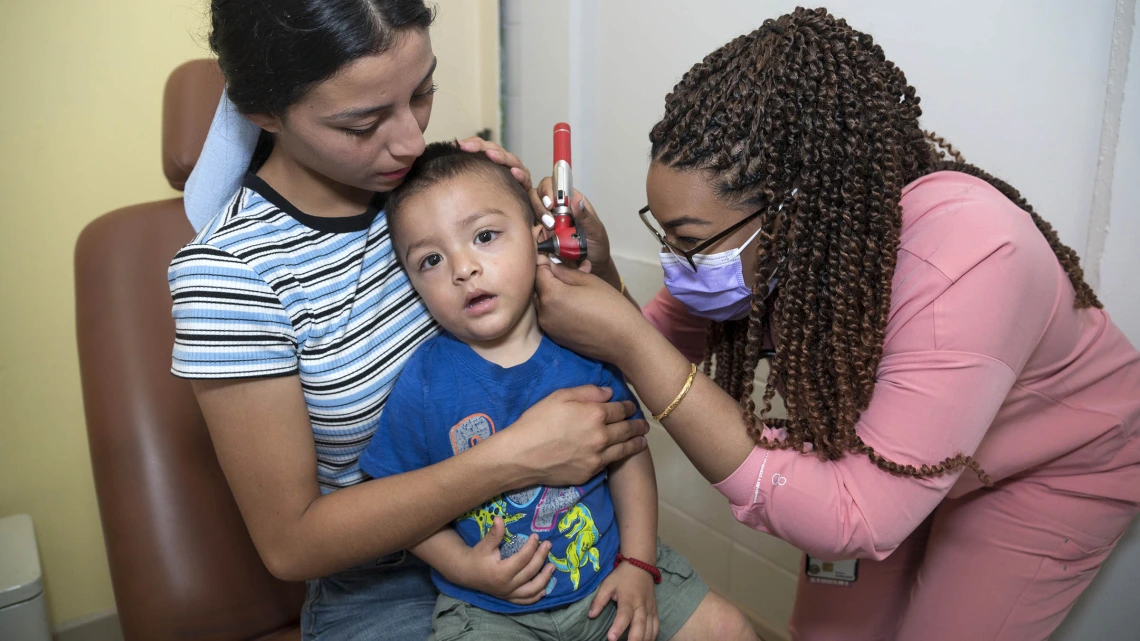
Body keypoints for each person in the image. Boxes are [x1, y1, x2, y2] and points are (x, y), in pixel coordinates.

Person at [531, 8, 1140, 641]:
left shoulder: (973, 256)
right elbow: (651, 348)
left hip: (1042, 468)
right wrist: (599, 274)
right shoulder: (759, 244)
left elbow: (858, 516)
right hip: (885, 455)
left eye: (687, 241)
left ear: (794, 210)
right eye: (665, 234)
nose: (676, 263)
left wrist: (629, 341)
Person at [169, 2, 647, 639]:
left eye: (421, 92)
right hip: (385, 584)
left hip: (561, 522)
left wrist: (591, 268)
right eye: (364, 122)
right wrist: (515, 458)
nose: (411, 141)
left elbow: (611, 356)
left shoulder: (434, 188)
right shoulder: (228, 276)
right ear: (263, 114)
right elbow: (291, 545)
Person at [357, 143, 756, 641]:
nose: (462, 269)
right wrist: (461, 567)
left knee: (730, 629)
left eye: (484, 236)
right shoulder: (422, 384)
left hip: (610, 577)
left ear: (537, 238)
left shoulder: (583, 347)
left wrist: (636, 563)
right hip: (492, 611)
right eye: (431, 260)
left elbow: (629, 457)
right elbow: (398, 502)